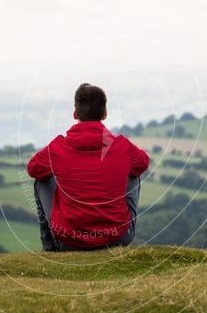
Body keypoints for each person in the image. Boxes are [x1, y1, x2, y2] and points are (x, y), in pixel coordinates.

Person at [27, 83, 150, 251]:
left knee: (42, 181)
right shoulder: (122, 146)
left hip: (69, 241)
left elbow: (33, 169)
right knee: (134, 171)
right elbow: (143, 162)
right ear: (105, 114)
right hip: (117, 237)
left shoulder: (58, 148)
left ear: (75, 113)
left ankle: (50, 248)